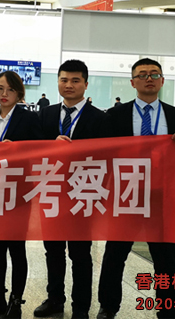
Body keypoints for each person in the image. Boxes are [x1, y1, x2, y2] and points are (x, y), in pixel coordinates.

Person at [97, 58, 175, 319]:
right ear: (132, 82)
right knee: (114, 256)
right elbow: (101, 152)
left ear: (162, 81)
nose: (149, 79)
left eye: (154, 74)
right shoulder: (115, 115)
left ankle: (169, 310)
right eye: (142, 75)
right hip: (126, 196)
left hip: (162, 198)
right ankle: (108, 307)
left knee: (166, 259)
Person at [34, 59, 108, 319]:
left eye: (75, 80)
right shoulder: (45, 114)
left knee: (80, 254)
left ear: (86, 84)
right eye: (64, 80)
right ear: (57, 82)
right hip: (51, 191)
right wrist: (50, 144)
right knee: (53, 251)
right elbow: (32, 148)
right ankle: (55, 299)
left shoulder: (100, 118)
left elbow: (106, 157)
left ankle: (80, 307)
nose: (69, 85)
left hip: (83, 193)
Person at [0, 70, 42, 319]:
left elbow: (38, 150)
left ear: (19, 93)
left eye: (10, 90)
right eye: (0, 88)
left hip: (18, 192)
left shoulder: (29, 118)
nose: (4, 94)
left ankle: (16, 302)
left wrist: (16, 149)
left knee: (17, 248)